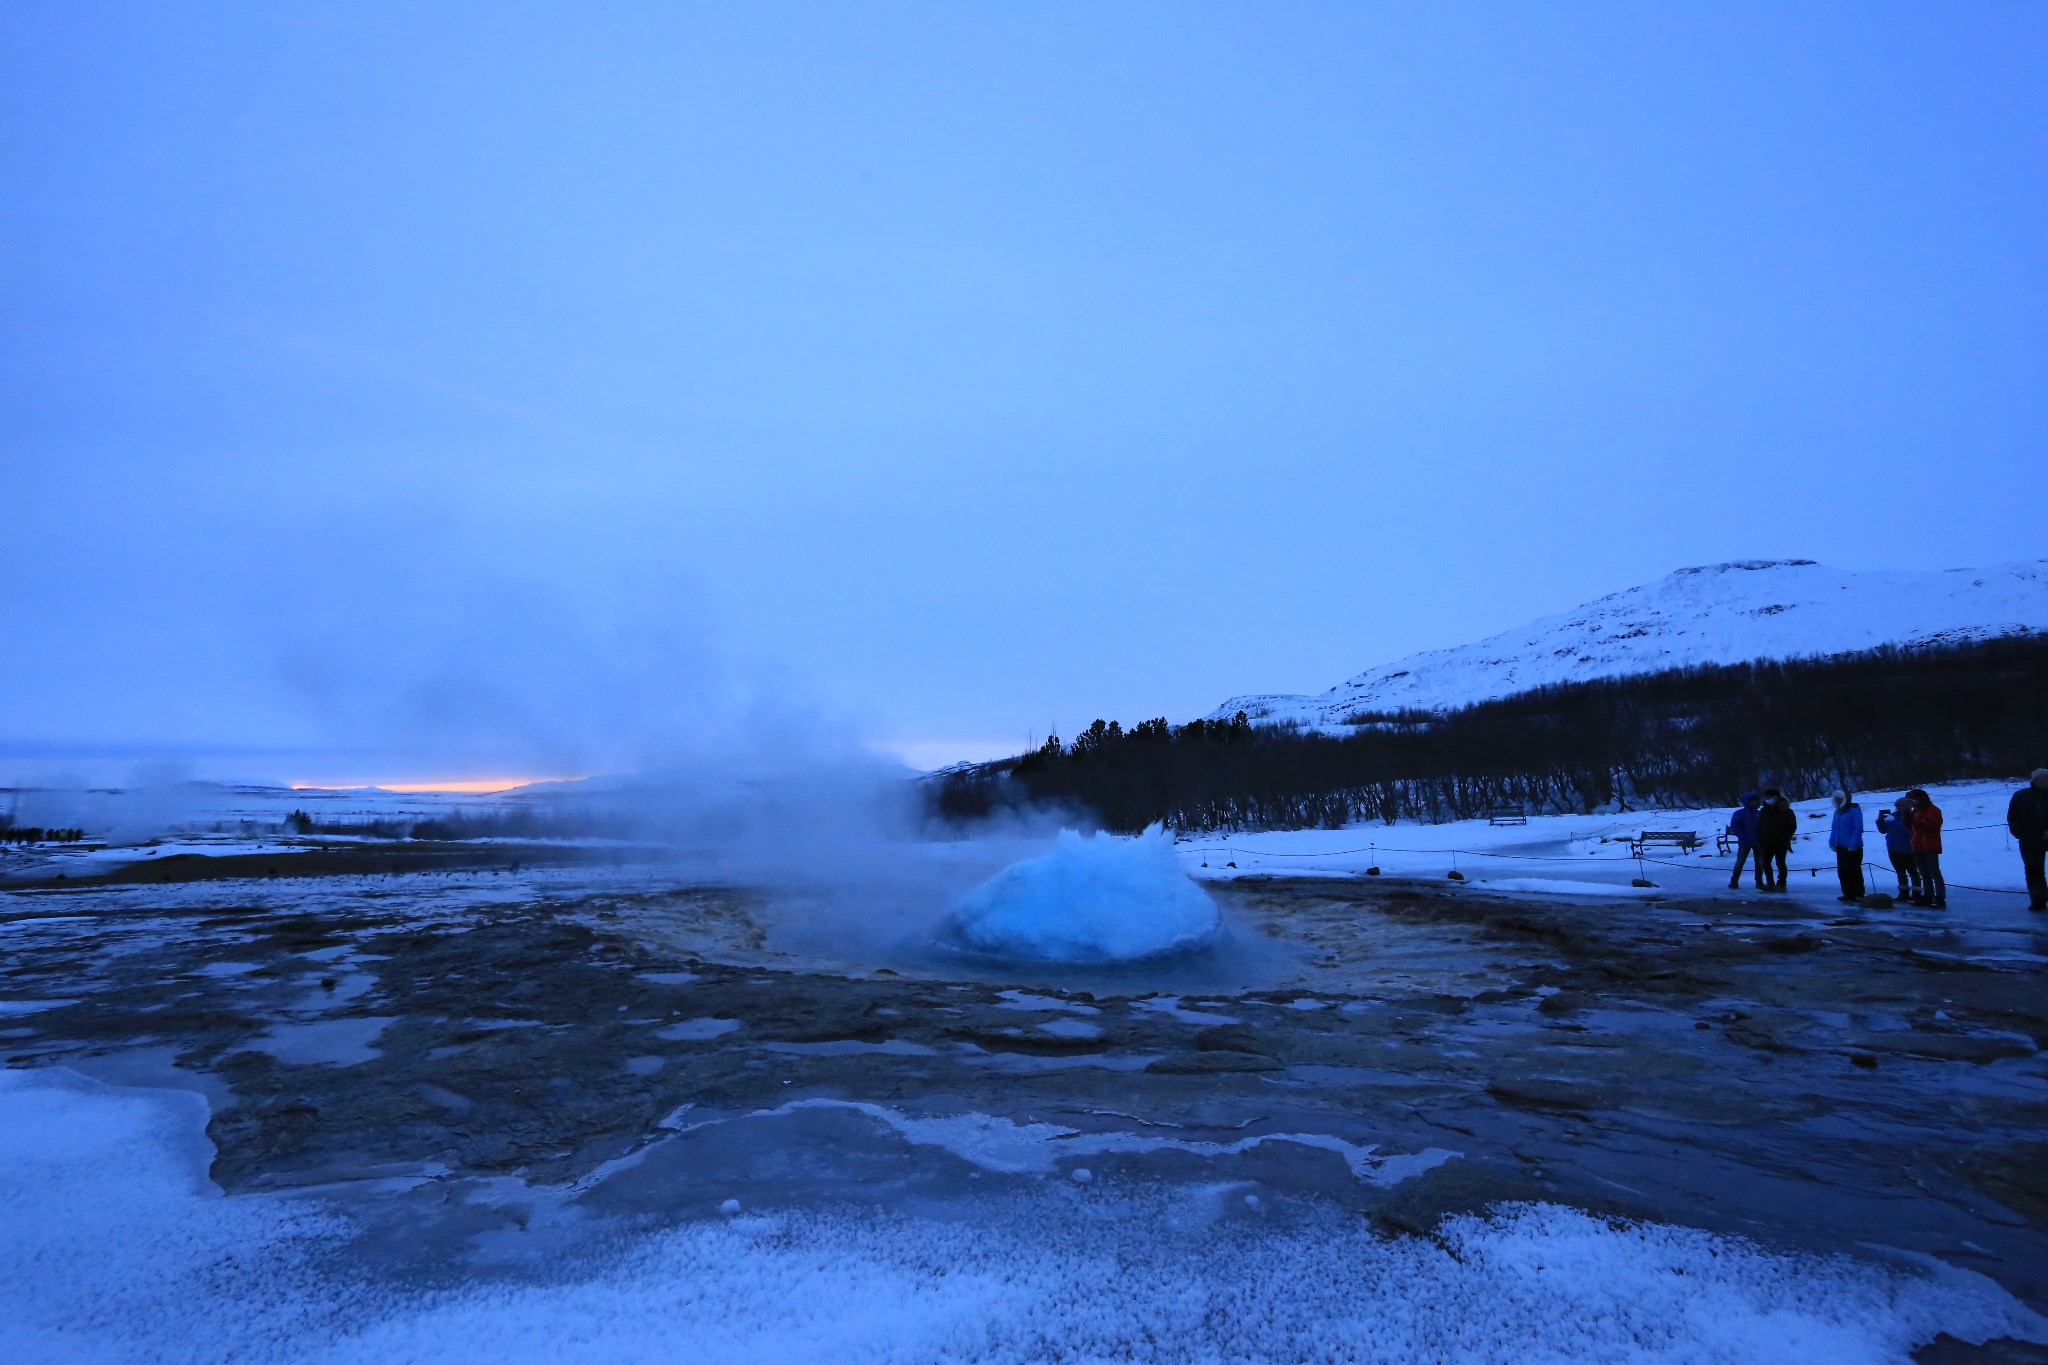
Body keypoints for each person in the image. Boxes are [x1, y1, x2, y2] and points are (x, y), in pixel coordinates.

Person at [2007, 768, 2048, 913]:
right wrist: (2025, 835)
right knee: (2034, 870)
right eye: (2045, 778)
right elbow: (2013, 819)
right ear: (2036, 780)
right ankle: (2038, 900)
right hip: (2030, 841)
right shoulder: (2021, 797)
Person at [1876, 796, 1921, 901]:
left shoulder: (1911, 817)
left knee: (1913, 871)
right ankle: (1903, 893)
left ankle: (1917, 894)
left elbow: (1909, 833)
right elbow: (1883, 830)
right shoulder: (1892, 816)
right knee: (1900, 872)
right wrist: (1880, 821)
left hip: (1908, 849)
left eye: (1899, 806)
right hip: (1893, 849)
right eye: (1896, 806)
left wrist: (1895, 823)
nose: (1897, 808)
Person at [1907, 788, 1945, 909]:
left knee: (1934, 872)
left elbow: (1934, 827)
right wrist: (1906, 819)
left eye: (1913, 800)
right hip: (1917, 845)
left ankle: (1940, 897)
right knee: (1924, 872)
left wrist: (1916, 821)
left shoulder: (1933, 810)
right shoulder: (1915, 811)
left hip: (1930, 845)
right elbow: (1911, 827)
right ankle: (1928, 895)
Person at [1755, 788, 1797, 892]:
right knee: (1765, 862)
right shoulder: (1764, 811)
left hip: (1781, 842)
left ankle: (1781, 883)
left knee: (1780, 863)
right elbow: (1760, 825)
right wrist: (1760, 837)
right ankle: (1770, 883)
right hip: (1766, 842)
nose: (1769, 799)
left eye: (1771, 797)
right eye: (1767, 797)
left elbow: (1792, 826)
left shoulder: (1786, 811)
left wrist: (1785, 837)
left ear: (1777, 798)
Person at [1827, 790, 1865, 902]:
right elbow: (1835, 829)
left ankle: (1858, 894)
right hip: (1841, 846)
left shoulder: (1854, 810)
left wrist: (1853, 844)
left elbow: (1858, 828)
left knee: (1854, 871)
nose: (1838, 801)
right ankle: (1848, 893)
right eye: (1836, 799)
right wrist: (1832, 841)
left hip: (1853, 847)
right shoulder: (1837, 812)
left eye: (1840, 799)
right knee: (1843, 872)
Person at [1726, 791, 1764, 890]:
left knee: (1759, 863)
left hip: (1758, 841)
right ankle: (1734, 881)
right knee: (1740, 861)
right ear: (1747, 802)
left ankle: (1759, 881)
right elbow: (1735, 827)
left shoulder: (1759, 813)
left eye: (1756, 801)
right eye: (1752, 801)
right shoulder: (1739, 813)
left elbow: (1763, 826)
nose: (1754, 803)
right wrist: (1742, 836)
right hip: (1745, 842)